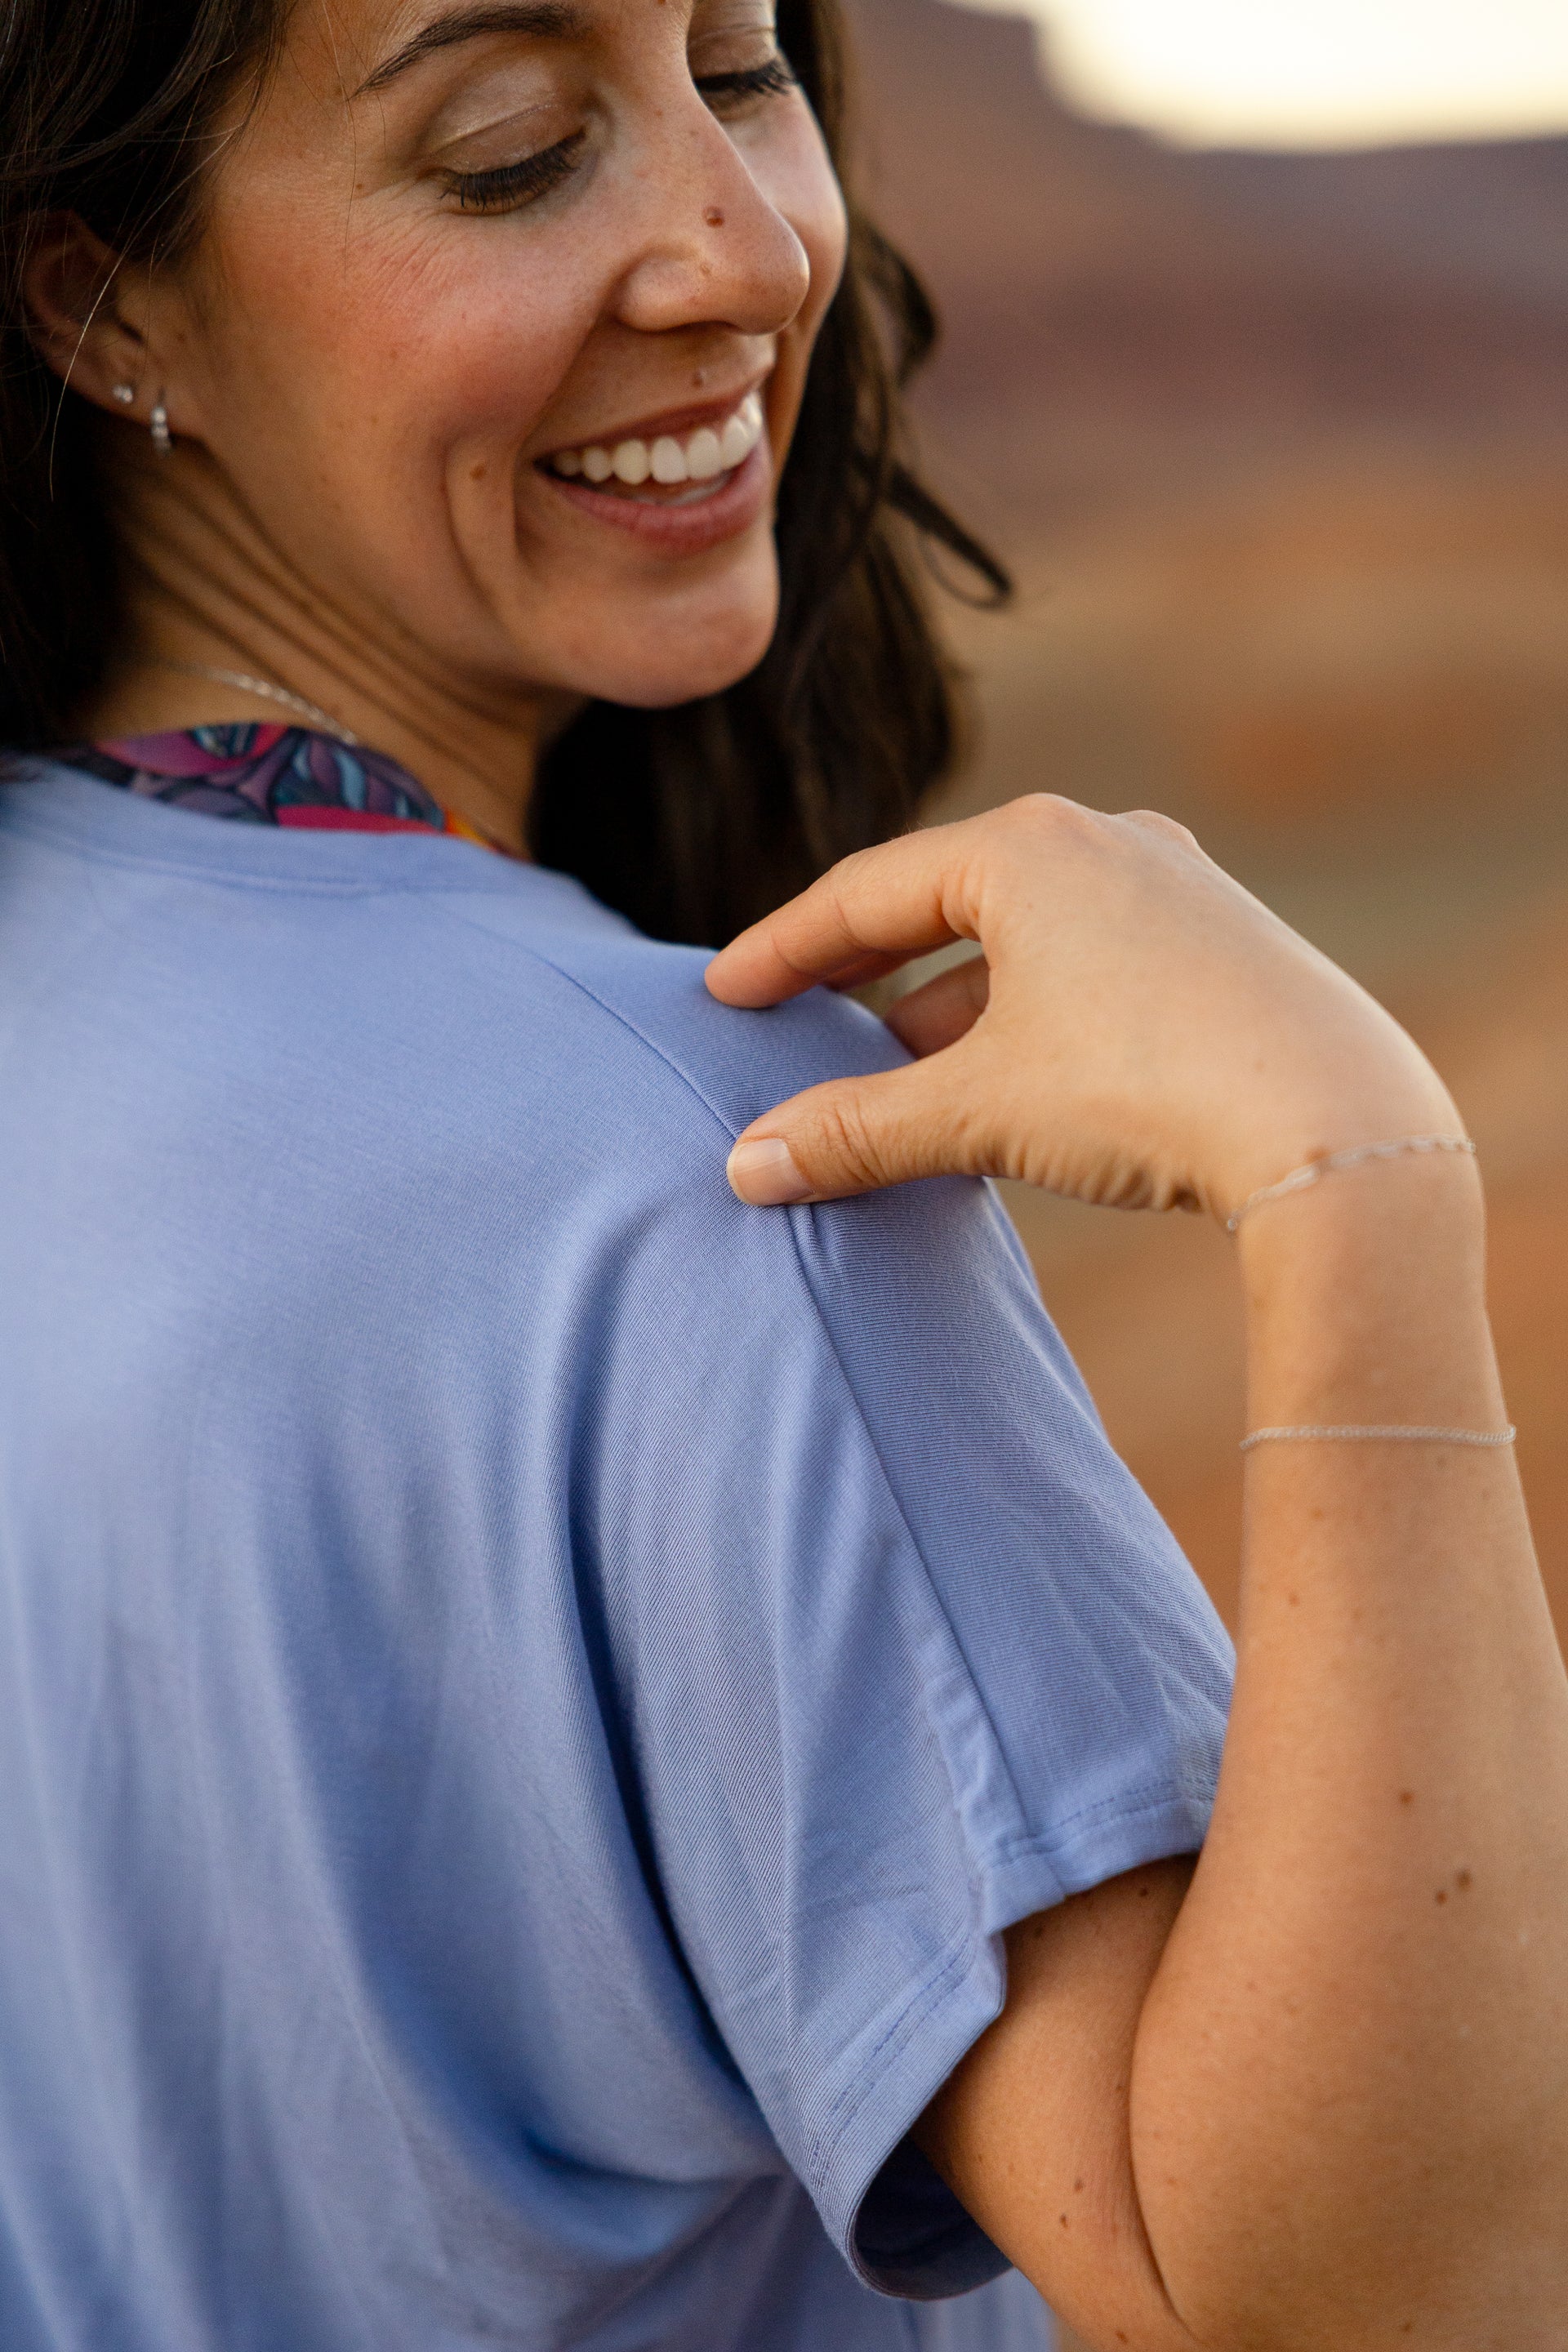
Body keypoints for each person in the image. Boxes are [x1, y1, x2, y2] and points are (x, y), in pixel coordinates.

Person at [0, 3, 1562, 2350]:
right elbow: (1386, 2299)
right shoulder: (710, 1164)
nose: (744, 250)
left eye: (741, 69)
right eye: (510, 152)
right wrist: (1360, 1183)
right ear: (107, 302)